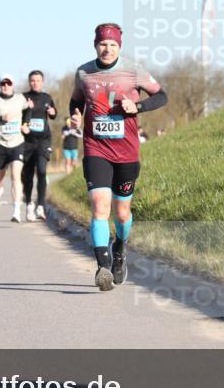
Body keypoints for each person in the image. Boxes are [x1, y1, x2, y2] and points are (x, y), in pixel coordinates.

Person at [69, 22, 168, 291]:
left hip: (126, 152)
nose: (107, 49)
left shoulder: (133, 70)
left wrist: (137, 107)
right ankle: (103, 267)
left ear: (119, 46)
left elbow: (161, 96)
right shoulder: (84, 72)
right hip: (96, 148)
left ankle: (120, 249)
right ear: (95, 45)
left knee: (122, 214)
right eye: (103, 44)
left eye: (112, 44)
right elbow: (76, 100)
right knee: (99, 206)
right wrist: (75, 114)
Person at [0, 74, 30, 223]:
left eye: (8, 83)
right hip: (0, 143)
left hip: (17, 142)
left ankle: (16, 211)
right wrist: (0, 118)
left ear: (12, 85)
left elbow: (28, 110)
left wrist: (25, 124)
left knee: (16, 176)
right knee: (0, 175)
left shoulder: (20, 99)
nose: (6, 86)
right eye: (3, 84)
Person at [21, 70, 57, 221]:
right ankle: (29, 204)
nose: (35, 83)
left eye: (38, 80)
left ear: (42, 82)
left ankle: (41, 205)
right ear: (29, 82)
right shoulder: (23, 97)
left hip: (43, 141)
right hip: (27, 141)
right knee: (28, 174)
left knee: (42, 171)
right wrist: (23, 123)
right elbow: (16, 116)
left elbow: (53, 114)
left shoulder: (47, 97)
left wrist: (53, 111)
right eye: (32, 80)